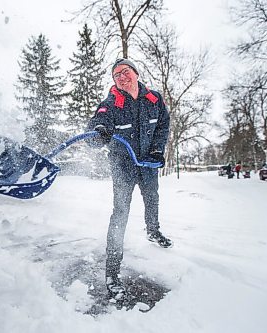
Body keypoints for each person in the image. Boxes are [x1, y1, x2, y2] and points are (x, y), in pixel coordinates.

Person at [88, 58, 172, 298]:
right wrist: (99, 132)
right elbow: (99, 121)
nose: (121, 77)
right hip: (123, 165)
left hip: (147, 163)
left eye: (125, 72)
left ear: (135, 73)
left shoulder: (154, 99)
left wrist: (157, 150)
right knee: (121, 212)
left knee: (152, 198)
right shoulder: (113, 101)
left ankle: (153, 231)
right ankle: (112, 271)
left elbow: (163, 126)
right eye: (116, 75)